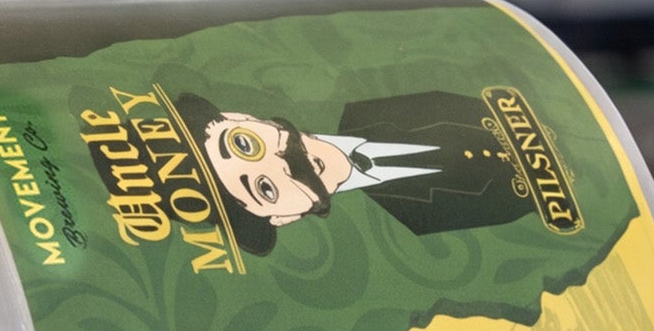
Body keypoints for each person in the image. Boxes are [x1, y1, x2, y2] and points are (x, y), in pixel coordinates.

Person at [174, 90, 551, 256]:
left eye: (244, 145)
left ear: (242, 118)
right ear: (282, 217)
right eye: (265, 187)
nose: (282, 163)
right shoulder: (405, 245)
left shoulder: (373, 86)